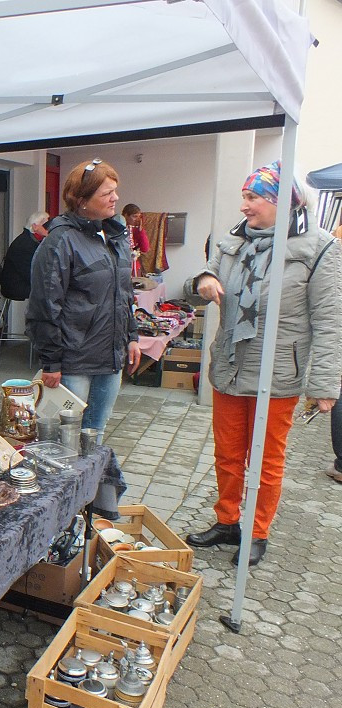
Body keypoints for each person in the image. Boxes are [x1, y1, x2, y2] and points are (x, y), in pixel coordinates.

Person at [184, 162, 341, 566]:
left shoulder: (319, 248)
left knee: (267, 461)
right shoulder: (232, 241)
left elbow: (330, 319)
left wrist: (324, 385)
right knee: (228, 455)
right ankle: (227, 521)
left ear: (280, 202)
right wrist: (202, 279)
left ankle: (257, 532)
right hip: (230, 369)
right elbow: (198, 285)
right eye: (245, 197)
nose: (245, 206)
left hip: (278, 375)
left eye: (253, 198)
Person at [26, 158, 141, 434]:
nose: (115, 198)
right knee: (63, 439)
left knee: (95, 433)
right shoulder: (60, 240)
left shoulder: (115, 237)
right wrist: (50, 362)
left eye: (115, 190)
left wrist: (132, 337)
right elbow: (45, 305)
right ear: (81, 200)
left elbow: (123, 295)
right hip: (73, 363)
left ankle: (92, 479)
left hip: (110, 358)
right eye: (106, 193)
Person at [0, 212, 49, 300]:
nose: (48, 229)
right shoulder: (24, 244)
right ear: (35, 227)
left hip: (21, 281)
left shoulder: (28, 240)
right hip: (16, 286)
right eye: (45, 226)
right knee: (51, 291)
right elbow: (31, 274)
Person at [122, 203, 150, 276]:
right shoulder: (117, 229)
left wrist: (141, 230)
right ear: (125, 215)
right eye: (134, 216)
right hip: (122, 267)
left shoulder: (135, 229)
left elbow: (145, 249)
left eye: (139, 217)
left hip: (134, 266)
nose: (137, 219)